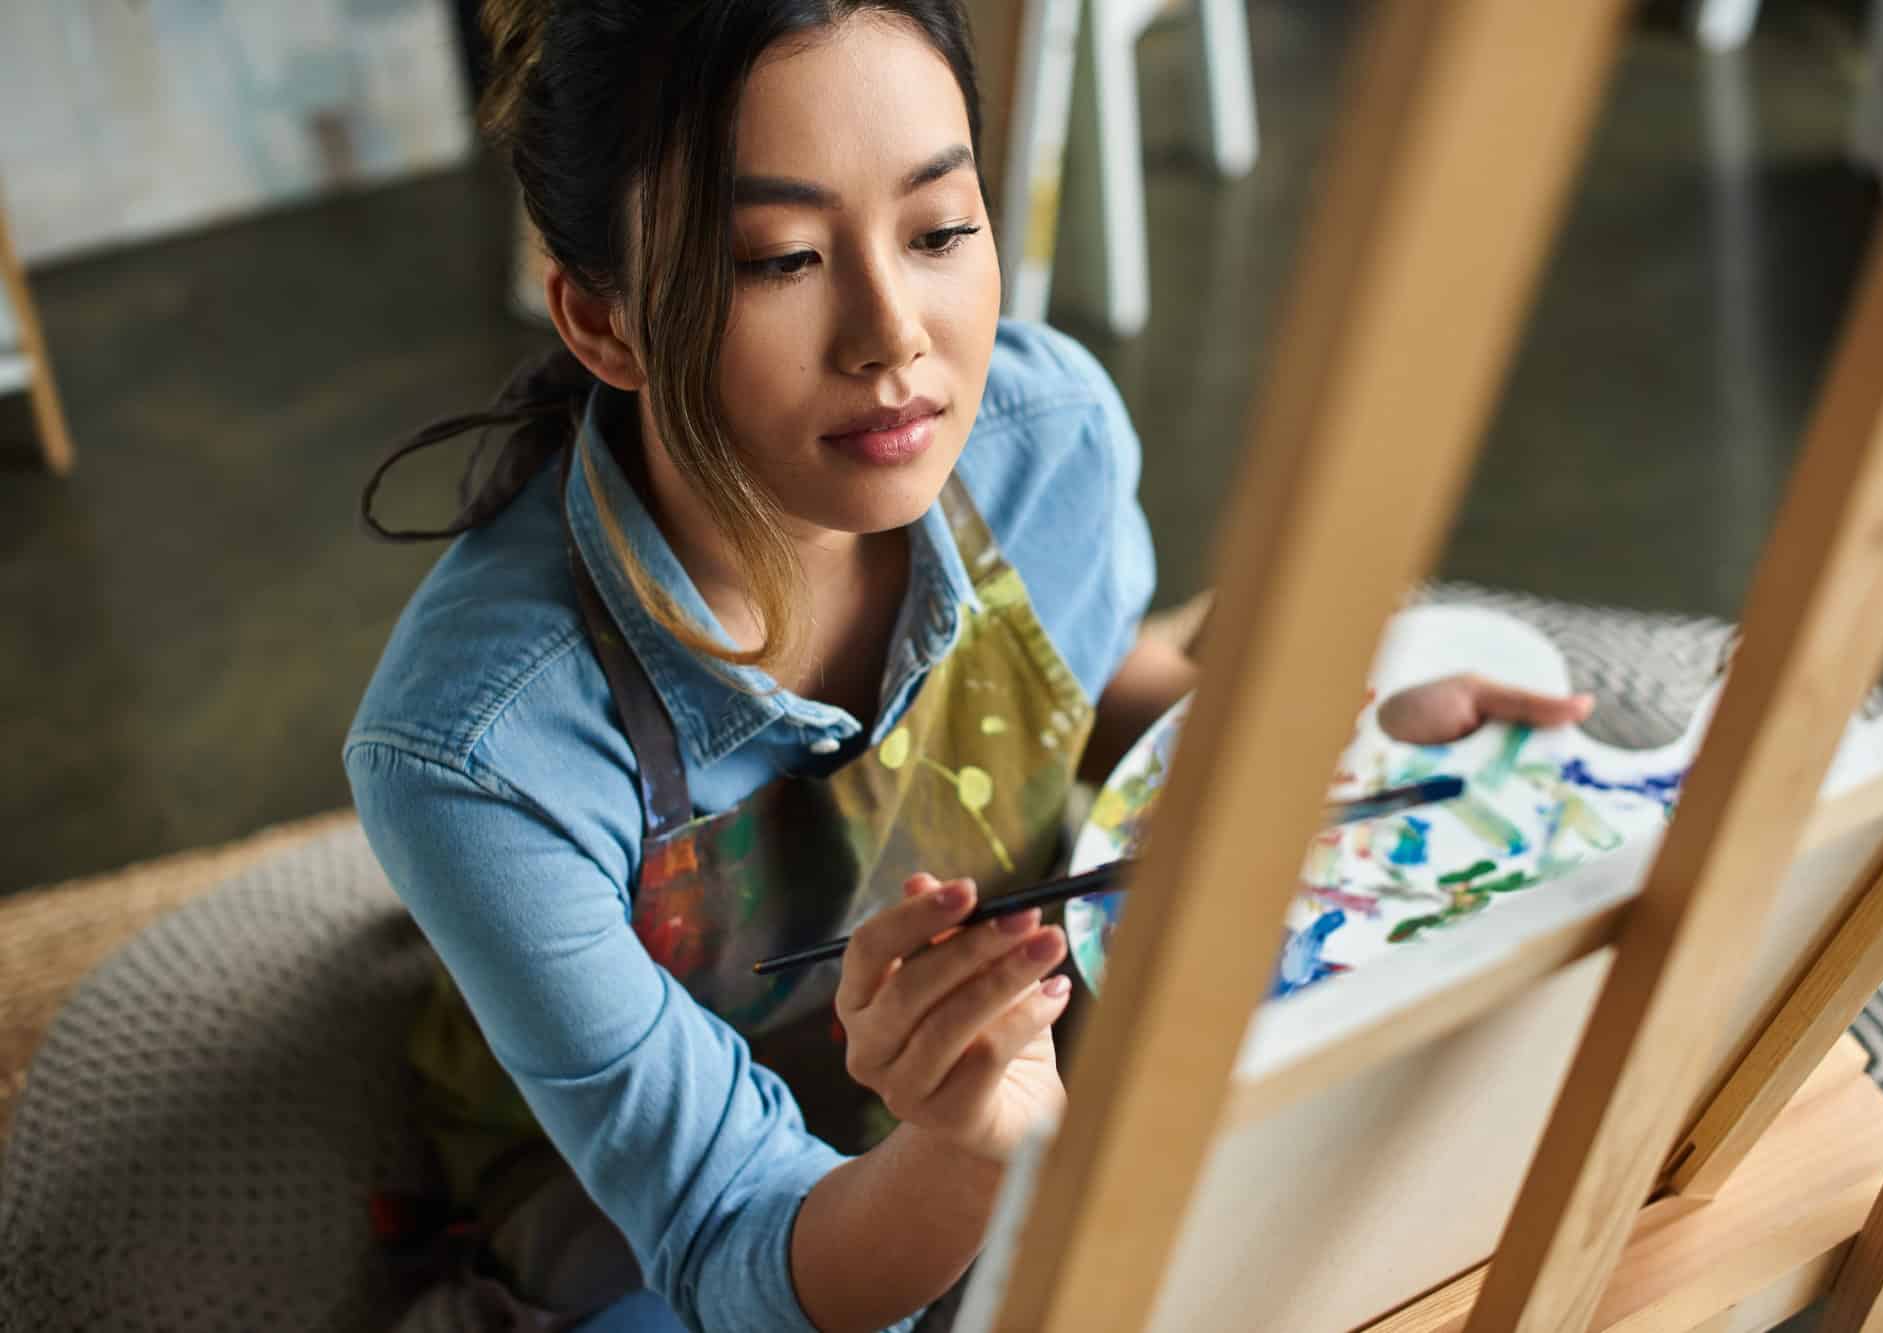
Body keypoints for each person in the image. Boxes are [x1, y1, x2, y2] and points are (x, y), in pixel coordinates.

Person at [347, 2, 1592, 1329]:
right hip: (638, 1200)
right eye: (779, 260)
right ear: (604, 324)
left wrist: (1349, 753)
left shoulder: (1041, 442)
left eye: (940, 229)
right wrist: (961, 1158)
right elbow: (727, 1230)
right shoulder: (478, 750)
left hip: (1004, 1060)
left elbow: (1089, 696)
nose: (894, 338)